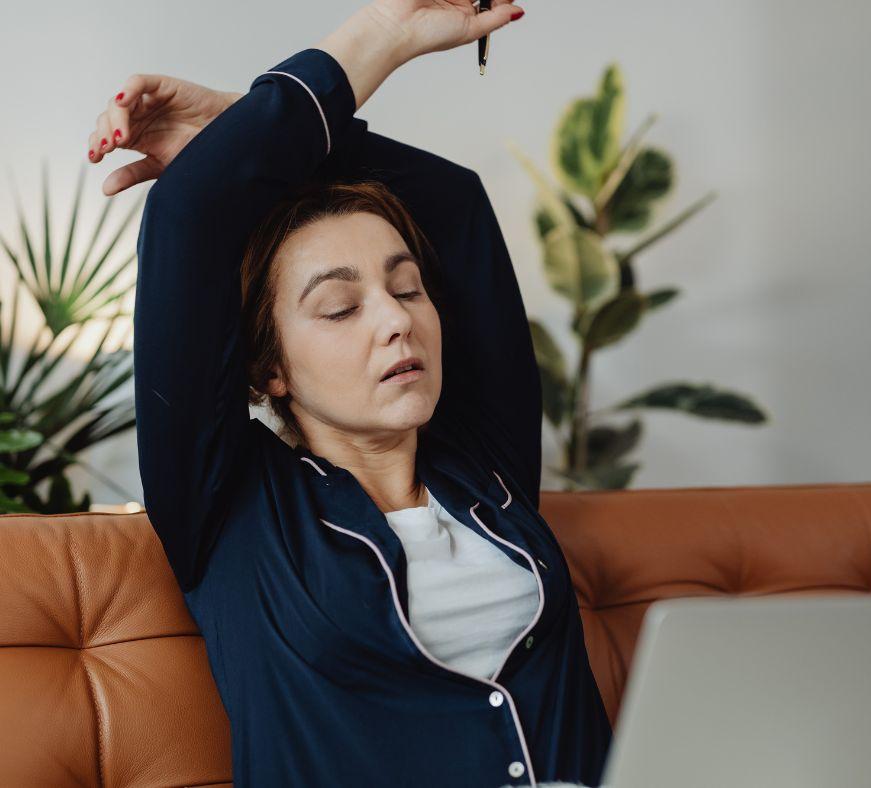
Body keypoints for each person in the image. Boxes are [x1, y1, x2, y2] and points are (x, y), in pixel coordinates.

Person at [88, 2, 613, 786]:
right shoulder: (231, 513)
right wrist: (386, 36)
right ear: (271, 372)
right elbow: (188, 213)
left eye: (407, 289)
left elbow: (455, 208)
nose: (396, 322)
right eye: (339, 307)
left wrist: (242, 122)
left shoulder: (488, 476)